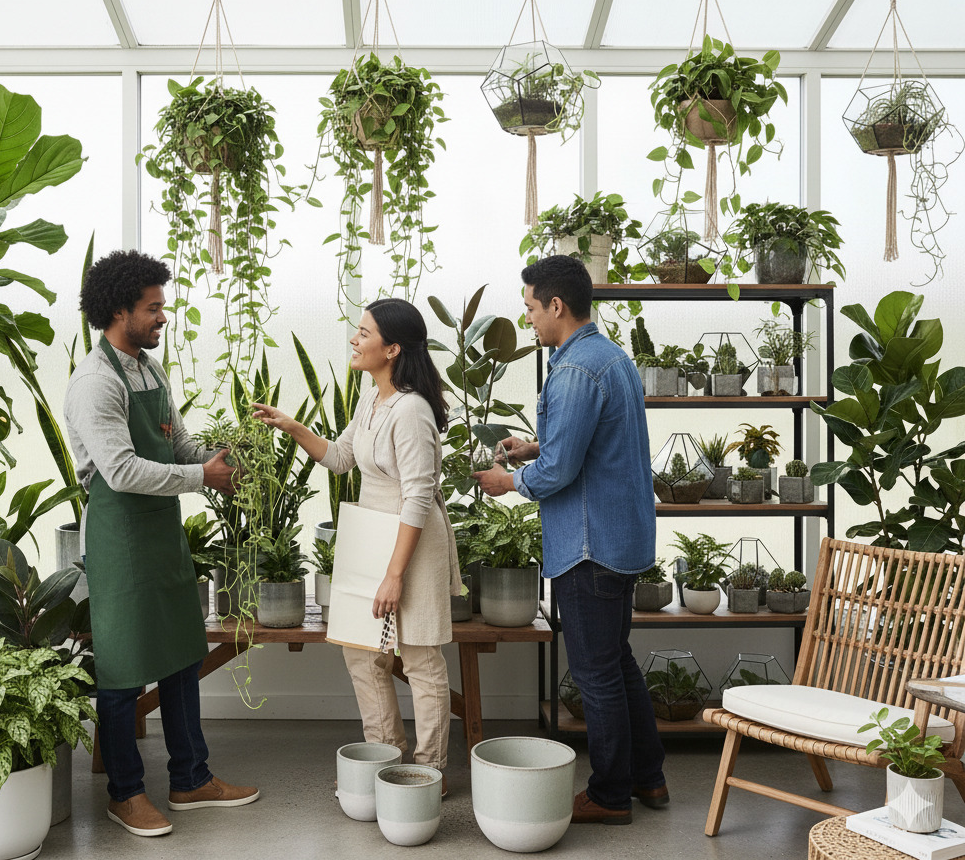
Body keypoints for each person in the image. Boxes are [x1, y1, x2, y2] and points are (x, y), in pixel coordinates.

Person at [64, 249, 259, 838]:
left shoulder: (149, 371)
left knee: (180, 654)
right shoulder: (95, 382)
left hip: (161, 534)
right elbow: (121, 472)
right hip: (121, 534)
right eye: (152, 309)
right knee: (122, 669)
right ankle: (124, 793)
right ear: (119, 310)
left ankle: (190, 778)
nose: (162, 318)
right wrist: (205, 480)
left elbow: (174, 447)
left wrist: (213, 461)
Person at [472, 254, 667, 825]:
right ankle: (647, 778)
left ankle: (610, 795)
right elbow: (588, 446)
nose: (528, 318)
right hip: (619, 537)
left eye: (531, 307)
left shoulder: (576, 369)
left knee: (595, 673)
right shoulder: (610, 358)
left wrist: (510, 480)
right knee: (616, 663)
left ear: (557, 305)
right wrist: (536, 447)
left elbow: (559, 474)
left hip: (590, 544)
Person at [253, 298, 461, 791]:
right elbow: (342, 458)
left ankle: (431, 770)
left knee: (420, 659)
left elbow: (416, 499)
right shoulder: (373, 398)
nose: (354, 338)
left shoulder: (410, 410)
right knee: (363, 653)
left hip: (410, 544)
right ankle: (386, 757)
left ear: (392, 349)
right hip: (373, 538)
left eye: (364, 332)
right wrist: (293, 425)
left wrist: (394, 575)